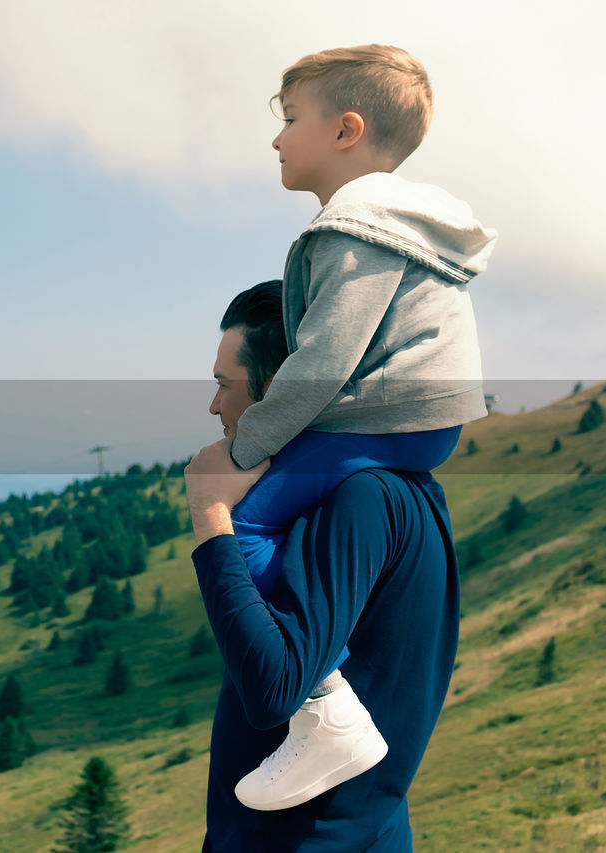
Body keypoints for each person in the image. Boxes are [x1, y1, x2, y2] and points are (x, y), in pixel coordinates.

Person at [223, 44, 496, 809]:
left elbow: (324, 359)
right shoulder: (405, 221)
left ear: (346, 129)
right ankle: (326, 695)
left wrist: (249, 448)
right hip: (418, 423)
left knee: (238, 526)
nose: (277, 138)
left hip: (383, 418)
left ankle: (326, 707)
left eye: (289, 119)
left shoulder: (356, 225)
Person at [186, 281, 461, 849]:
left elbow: (272, 686)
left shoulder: (362, 500)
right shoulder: (398, 492)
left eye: (223, 384)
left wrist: (210, 514)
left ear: (281, 391)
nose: (214, 405)